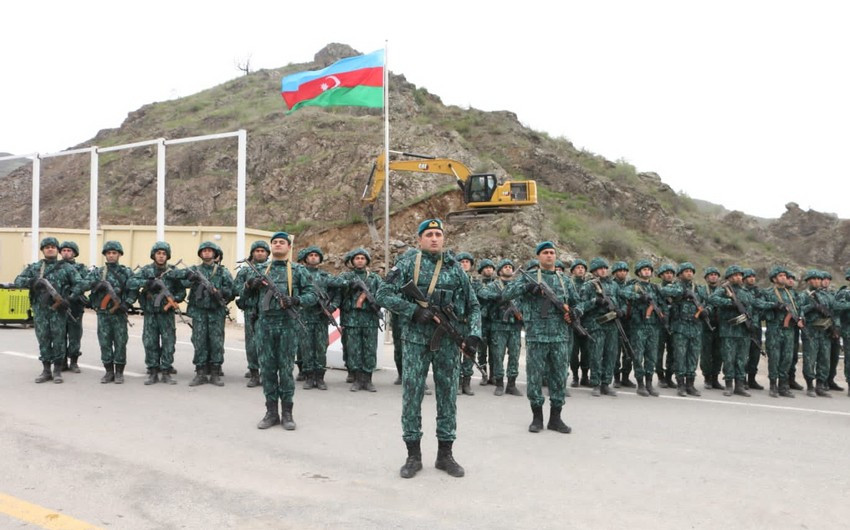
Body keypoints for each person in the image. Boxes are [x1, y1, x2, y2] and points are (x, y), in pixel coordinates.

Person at [376, 219, 481, 478]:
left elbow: (474, 305)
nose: (434, 238)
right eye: (429, 234)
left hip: (447, 343)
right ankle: (413, 456)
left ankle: (445, 455)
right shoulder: (408, 264)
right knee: (412, 396)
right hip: (415, 342)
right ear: (420, 239)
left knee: (448, 396)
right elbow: (382, 293)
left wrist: (474, 335)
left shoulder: (456, 269)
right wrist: (413, 311)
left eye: (438, 234)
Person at [498, 241, 576, 430]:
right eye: (545, 253)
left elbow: (577, 303)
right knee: (534, 378)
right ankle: (537, 418)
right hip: (536, 336)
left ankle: (556, 418)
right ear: (538, 257)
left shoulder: (564, 280)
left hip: (559, 337)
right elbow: (506, 294)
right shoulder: (529, 278)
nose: (549, 255)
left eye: (552, 253)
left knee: (558, 377)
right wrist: (527, 288)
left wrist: (575, 313)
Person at [249, 232, 317, 430]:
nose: (278, 244)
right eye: (275, 242)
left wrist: (295, 300)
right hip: (265, 326)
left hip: (288, 325)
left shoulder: (298, 270)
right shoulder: (259, 269)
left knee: (286, 370)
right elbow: (243, 299)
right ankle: (271, 412)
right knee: (268, 370)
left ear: (289, 247)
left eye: (282, 242)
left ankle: (287, 413)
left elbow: (312, 294)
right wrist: (249, 286)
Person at [15, 237, 84, 384]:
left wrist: (69, 298)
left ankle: (57, 370)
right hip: (40, 311)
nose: (50, 249)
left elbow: (80, 283)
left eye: (53, 247)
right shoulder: (35, 268)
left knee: (58, 339)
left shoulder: (66, 268)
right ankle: (46, 370)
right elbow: (18, 281)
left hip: (58, 311)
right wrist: (33, 281)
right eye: (47, 247)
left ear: (57, 250)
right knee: (43, 338)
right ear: (43, 250)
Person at [125, 241, 187, 385]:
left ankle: (166, 371)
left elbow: (182, 291)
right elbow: (131, 282)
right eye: (158, 253)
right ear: (153, 255)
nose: (161, 256)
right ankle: (153, 371)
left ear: (168, 256)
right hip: (150, 313)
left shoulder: (172, 271)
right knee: (150, 342)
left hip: (167, 314)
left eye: (164, 254)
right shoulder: (146, 271)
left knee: (168, 343)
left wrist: (174, 299)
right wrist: (147, 283)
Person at [183, 241, 235, 386]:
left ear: (215, 254)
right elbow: (181, 281)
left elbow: (232, 290)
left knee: (216, 342)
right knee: (199, 341)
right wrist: (189, 277)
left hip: (216, 311)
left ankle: (215, 373)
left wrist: (221, 292)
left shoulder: (222, 272)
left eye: (209, 251)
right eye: (204, 251)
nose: (206, 253)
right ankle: (200, 373)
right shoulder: (194, 270)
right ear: (200, 254)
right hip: (199, 311)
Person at [82, 241, 134, 384]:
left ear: (119, 255)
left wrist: (127, 303)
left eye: (114, 253)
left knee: (120, 342)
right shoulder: (98, 272)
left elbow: (134, 289)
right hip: (103, 313)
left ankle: (119, 372)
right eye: (109, 253)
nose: (111, 256)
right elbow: (83, 284)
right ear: (105, 255)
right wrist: (96, 285)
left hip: (119, 313)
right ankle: (108, 371)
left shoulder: (126, 272)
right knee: (104, 342)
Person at [578, 258, 626, 397]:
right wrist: (596, 301)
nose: (603, 270)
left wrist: (620, 310)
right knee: (596, 355)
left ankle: (606, 383)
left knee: (611, 355)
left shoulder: (614, 286)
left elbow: (622, 302)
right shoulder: (588, 286)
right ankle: (596, 384)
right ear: (594, 271)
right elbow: (581, 305)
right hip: (596, 324)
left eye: (605, 268)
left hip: (612, 324)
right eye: (600, 268)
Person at [296, 245, 341, 391]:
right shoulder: (300, 274)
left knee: (321, 348)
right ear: (306, 258)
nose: (313, 257)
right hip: (305, 316)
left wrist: (332, 307)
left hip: (321, 317)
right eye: (311, 255)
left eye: (316, 255)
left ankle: (320, 377)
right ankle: (309, 376)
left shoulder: (325, 276)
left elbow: (338, 291)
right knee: (307, 347)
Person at [339, 247, 384, 392]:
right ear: (352, 261)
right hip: (351, 319)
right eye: (357, 258)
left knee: (370, 349)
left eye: (362, 258)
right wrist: (349, 285)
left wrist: (375, 302)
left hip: (369, 318)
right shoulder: (346, 277)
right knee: (354, 349)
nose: (360, 261)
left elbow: (383, 294)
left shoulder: (374, 278)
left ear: (367, 261)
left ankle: (368, 379)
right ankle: (357, 379)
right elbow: (335, 285)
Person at [479, 258, 525, 397]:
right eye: (505, 267)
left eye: (511, 267)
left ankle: (511, 384)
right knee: (498, 356)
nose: (509, 268)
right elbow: (483, 294)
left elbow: (524, 301)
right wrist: (500, 297)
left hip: (514, 327)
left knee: (514, 356)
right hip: (498, 326)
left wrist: (520, 313)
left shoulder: (517, 286)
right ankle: (499, 383)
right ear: (499, 271)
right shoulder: (494, 285)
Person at [709, 265, 756, 397]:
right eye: (734, 275)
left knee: (742, 359)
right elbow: (712, 299)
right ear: (729, 277)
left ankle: (739, 385)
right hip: (728, 330)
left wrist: (751, 323)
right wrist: (730, 302)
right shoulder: (724, 289)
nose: (738, 277)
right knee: (729, 358)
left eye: (740, 275)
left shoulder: (746, 291)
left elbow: (751, 306)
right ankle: (729, 385)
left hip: (743, 331)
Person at [661, 262, 706, 397]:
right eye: (686, 271)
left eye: (691, 271)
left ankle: (690, 384)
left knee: (693, 357)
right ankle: (680, 384)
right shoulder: (675, 286)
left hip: (696, 327)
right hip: (680, 326)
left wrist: (706, 311)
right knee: (680, 356)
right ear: (680, 274)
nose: (689, 273)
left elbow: (707, 302)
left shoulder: (699, 288)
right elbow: (664, 291)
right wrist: (683, 292)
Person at [620, 259, 661, 397]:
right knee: (638, 356)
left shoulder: (655, 288)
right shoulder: (633, 285)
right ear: (638, 272)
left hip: (653, 326)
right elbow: (622, 293)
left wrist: (663, 315)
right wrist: (639, 297)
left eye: (649, 269)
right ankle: (641, 384)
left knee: (651, 356)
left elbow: (662, 304)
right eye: (644, 269)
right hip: (638, 326)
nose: (647, 271)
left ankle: (649, 383)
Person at [760, 266, 801, 398]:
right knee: (774, 358)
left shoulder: (792, 293)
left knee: (787, 358)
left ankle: (784, 386)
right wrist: (774, 305)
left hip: (789, 330)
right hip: (774, 329)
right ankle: (773, 385)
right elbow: (757, 303)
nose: (784, 277)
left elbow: (799, 307)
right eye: (781, 275)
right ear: (774, 278)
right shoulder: (768, 292)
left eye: (785, 275)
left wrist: (801, 317)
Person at [234, 240, 270, 387]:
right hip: (251, 311)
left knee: (268, 343)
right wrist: (248, 285)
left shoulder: (272, 268)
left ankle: (266, 373)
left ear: (267, 253)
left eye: (263, 251)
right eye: (257, 251)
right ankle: (254, 373)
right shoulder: (245, 271)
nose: (260, 253)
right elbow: (235, 290)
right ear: (252, 253)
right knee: (252, 344)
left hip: (268, 311)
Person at [799, 270, 834, 397]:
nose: (817, 281)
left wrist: (835, 328)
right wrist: (811, 307)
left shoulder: (826, 295)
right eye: (814, 279)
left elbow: (833, 310)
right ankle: (810, 386)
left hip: (824, 332)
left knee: (824, 359)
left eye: (819, 279)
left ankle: (820, 385)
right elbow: (798, 310)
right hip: (811, 332)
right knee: (810, 359)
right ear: (808, 281)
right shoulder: (804, 295)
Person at [59, 240, 88, 373]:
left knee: (75, 334)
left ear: (74, 253)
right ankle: (62, 361)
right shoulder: (56, 267)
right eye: (64, 250)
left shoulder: (81, 268)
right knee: (60, 334)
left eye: (69, 251)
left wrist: (73, 293)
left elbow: (84, 283)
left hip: (75, 305)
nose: (66, 253)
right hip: (59, 305)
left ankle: (74, 361)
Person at [454, 252, 477, 395]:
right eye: (461, 261)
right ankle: (456, 382)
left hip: (469, 323)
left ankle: (466, 382)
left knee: (469, 352)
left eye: (467, 262)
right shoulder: (452, 281)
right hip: (455, 322)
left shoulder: (476, 283)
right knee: (454, 353)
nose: (464, 263)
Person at [698, 267, 724, 390]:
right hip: (705, 325)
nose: (713, 277)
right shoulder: (701, 290)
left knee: (718, 353)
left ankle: (715, 378)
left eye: (715, 275)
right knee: (706, 353)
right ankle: (707, 378)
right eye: (711, 275)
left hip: (720, 325)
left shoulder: (723, 290)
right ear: (706, 277)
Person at [610, 261, 635, 388]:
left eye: (625, 270)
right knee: (615, 351)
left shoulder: (630, 285)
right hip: (615, 321)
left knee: (629, 351)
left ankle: (626, 376)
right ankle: (617, 378)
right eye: (620, 270)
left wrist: (624, 310)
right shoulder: (611, 285)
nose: (623, 273)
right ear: (615, 272)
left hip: (629, 322)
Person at [474, 258, 497, 387]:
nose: (489, 270)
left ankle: (493, 375)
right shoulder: (477, 283)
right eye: (486, 267)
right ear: (481, 270)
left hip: (494, 320)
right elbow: (480, 295)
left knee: (494, 350)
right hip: (482, 321)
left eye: (491, 268)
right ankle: (484, 374)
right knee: (482, 350)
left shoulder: (497, 283)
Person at [568, 258, 590, 387]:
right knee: (573, 353)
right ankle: (575, 376)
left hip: (586, 322)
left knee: (587, 352)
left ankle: (585, 376)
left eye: (582, 268)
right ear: (573, 271)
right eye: (578, 268)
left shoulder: (590, 285)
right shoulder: (569, 285)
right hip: (572, 323)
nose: (580, 269)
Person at [655, 263, 676, 388]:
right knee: (658, 352)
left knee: (672, 352)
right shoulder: (656, 288)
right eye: (666, 273)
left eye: (671, 273)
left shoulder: (676, 289)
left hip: (674, 324)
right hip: (660, 325)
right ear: (661, 275)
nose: (669, 275)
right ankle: (660, 377)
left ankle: (669, 376)